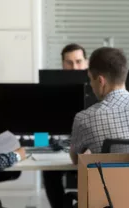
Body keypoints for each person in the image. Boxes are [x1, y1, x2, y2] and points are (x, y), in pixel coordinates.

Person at [69, 47, 129, 161]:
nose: (90, 85)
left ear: (101, 81)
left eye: (91, 79)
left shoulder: (85, 118)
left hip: (109, 179)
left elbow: (75, 159)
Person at [43, 43, 89, 208]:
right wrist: (38, 143)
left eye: (78, 61)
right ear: (62, 64)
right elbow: (41, 126)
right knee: (48, 171)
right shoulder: (52, 88)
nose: (75, 67)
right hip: (59, 144)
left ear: (86, 62)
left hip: (88, 147)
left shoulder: (98, 87)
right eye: (69, 63)